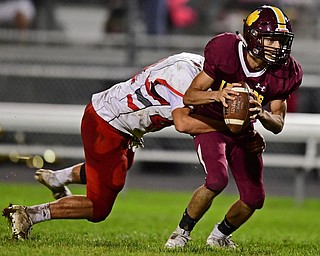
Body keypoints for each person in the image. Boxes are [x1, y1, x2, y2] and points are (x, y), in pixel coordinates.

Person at [2, 52, 265, 240]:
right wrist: (232, 127)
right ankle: (29, 214)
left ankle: (57, 177)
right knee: (99, 206)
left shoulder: (200, 67)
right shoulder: (184, 76)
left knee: (119, 168)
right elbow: (184, 123)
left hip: (119, 124)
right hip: (108, 124)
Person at [165, 5, 303, 249]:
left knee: (254, 198)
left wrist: (261, 113)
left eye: (281, 41)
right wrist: (218, 95)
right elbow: (190, 97)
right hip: (212, 124)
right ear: (254, 37)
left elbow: (278, 123)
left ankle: (219, 236)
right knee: (217, 179)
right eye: (272, 39)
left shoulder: (284, 71)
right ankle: (180, 233)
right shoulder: (226, 51)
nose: (278, 47)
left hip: (244, 131)